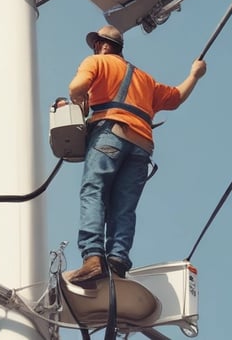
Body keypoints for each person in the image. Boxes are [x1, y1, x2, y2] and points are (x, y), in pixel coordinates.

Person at [66, 24, 206, 285]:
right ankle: (117, 260)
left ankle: (93, 258)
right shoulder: (145, 80)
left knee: (94, 192)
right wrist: (194, 75)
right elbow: (176, 98)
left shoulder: (97, 62)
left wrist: (79, 99)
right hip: (141, 146)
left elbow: (76, 87)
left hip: (110, 134)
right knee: (124, 205)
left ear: (102, 46)